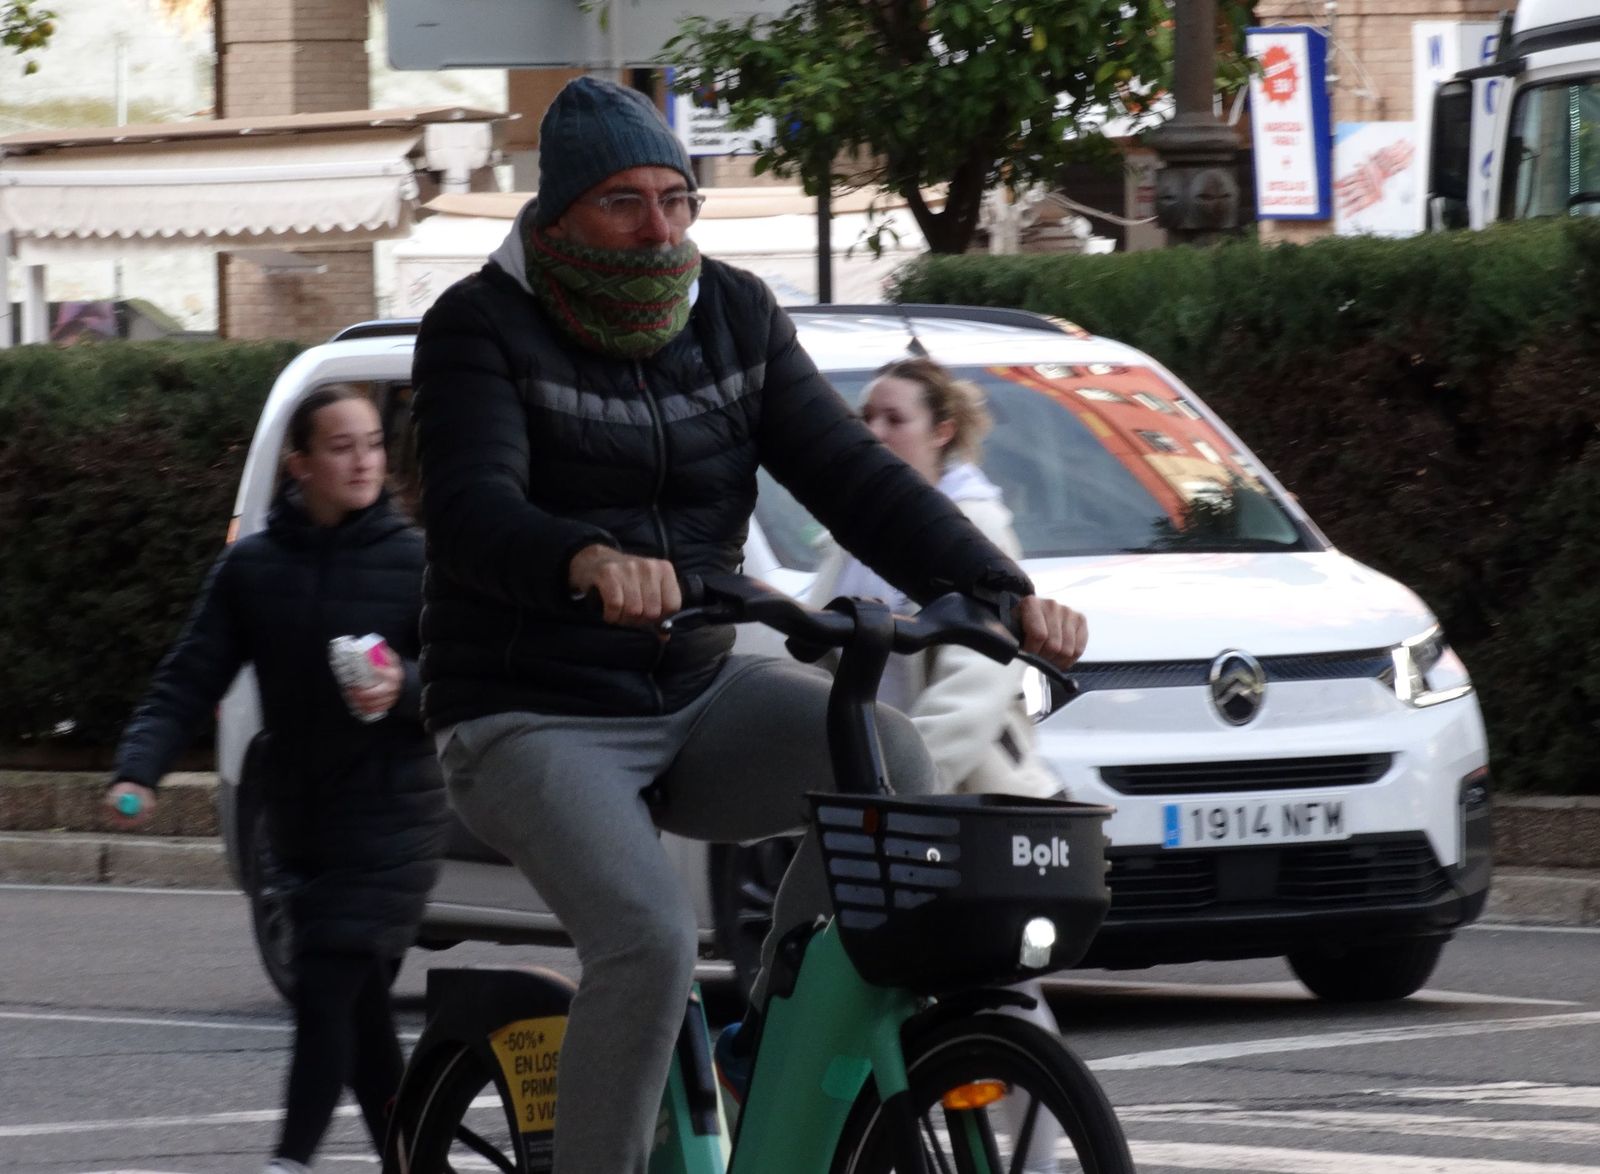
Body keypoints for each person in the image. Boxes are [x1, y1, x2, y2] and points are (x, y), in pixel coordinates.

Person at [409, 75, 1087, 1174]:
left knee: (897, 763)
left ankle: (773, 1031)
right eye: (625, 203)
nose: (659, 227)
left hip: (693, 688)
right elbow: (471, 508)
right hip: (529, 708)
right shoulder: (477, 326)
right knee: (647, 938)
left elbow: (854, 477)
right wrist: (583, 559)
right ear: (559, 213)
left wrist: (1001, 594)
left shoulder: (732, 312)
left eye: (676, 198)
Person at [103, 386, 448, 1174]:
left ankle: (287, 1161)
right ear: (299, 465)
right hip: (300, 818)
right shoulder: (252, 568)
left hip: (395, 815)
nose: (363, 460)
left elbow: (472, 680)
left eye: (371, 443)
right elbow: (189, 676)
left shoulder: (417, 562)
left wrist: (404, 689)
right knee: (358, 1022)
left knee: (326, 982)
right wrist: (139, 767)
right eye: (340, 446)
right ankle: (414, 1164)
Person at [809, 357, 1067, 1173]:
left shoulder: (969, 525)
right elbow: (817, 647)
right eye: (867, 420)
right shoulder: (858, 534)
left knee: (1005, 1002)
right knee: (871, 988)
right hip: (881, 797)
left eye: (896, 419)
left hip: (958, 805)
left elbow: (975, 687)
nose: (877, 433)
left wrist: (900, 787)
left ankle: (1038, 1163)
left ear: (943, 431)